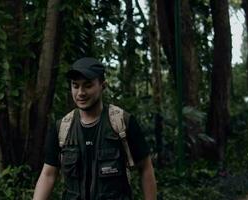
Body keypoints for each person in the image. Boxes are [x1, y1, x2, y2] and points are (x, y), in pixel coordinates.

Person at [33, 57, 157, 200]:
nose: (80, 92)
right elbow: (48, 174)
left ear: (102, 85)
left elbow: (145, 168)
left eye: (88, 85)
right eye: (75, 85)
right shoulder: (62, 128)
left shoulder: (122, 122)